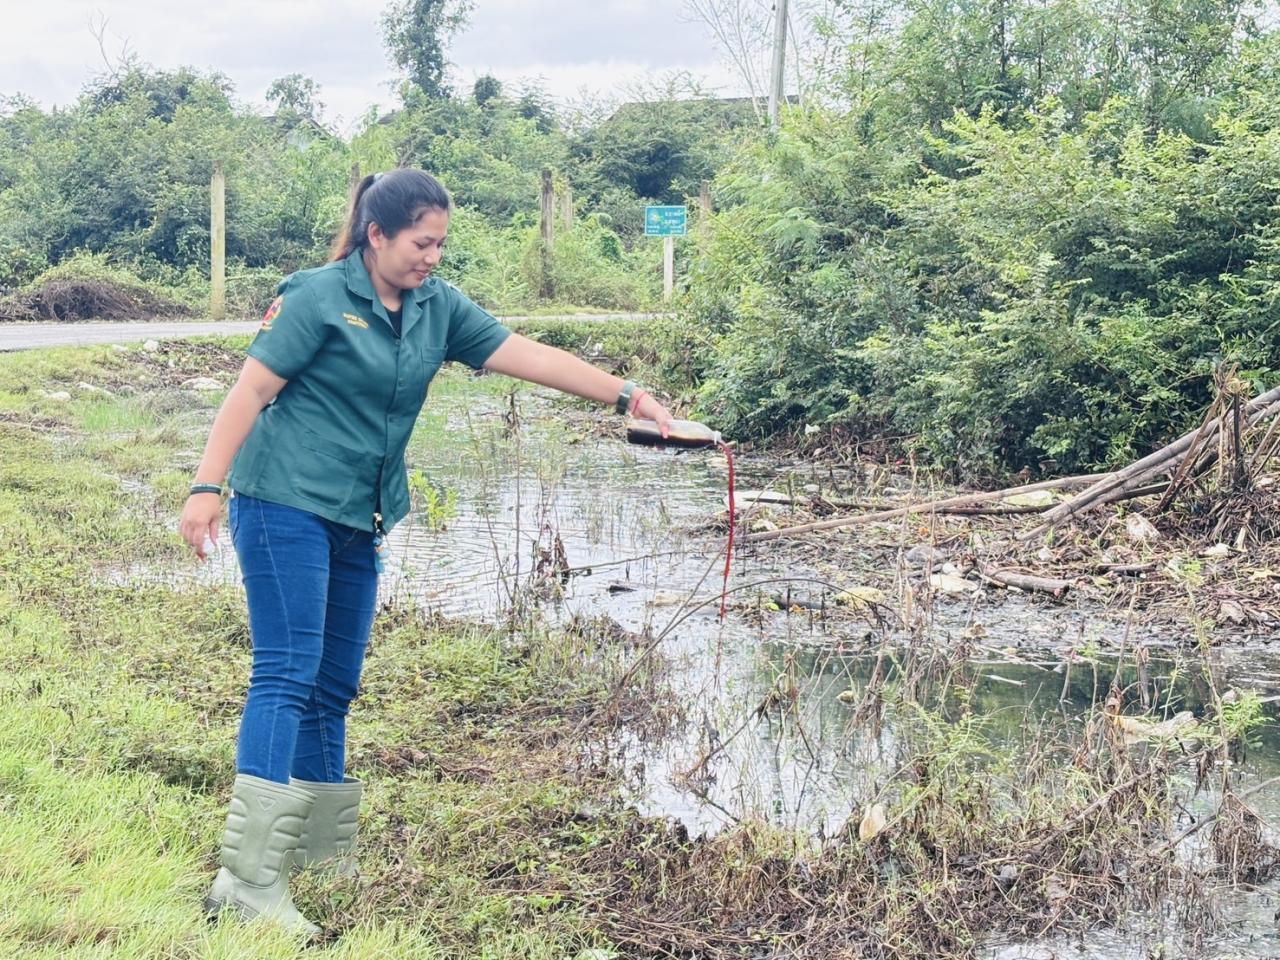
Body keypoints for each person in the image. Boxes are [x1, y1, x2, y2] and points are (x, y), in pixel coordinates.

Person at [179, 168, 672, 934]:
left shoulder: (437, 308)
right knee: (287, 671)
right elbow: (248, 394)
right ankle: (246, 882)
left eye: (440, 243)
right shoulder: (315, 297)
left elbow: (527, 355)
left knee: (335, 683)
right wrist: (205, 488)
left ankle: (315, 849)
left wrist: (626, 395)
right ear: (376, 235)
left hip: (360, 513)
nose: (432, 257)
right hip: (283, 503)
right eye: (420, 242)